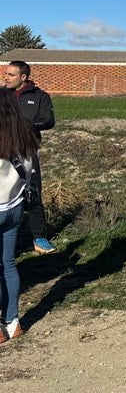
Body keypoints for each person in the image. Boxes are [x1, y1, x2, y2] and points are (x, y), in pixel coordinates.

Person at [4, 60, 56, 254]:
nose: (6, 78)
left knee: (32, 194)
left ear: (23, 77)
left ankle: (39, 238)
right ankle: (9, 237)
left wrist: (28, 126)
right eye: (5, 74)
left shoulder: (40, 96)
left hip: (27, 153)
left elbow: (49, 121)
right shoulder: (2, 96)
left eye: (11, 75)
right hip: (3, 154)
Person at [0, 90, 39, 343]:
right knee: (9, 265)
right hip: (14, 206)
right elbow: (30, 170)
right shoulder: (26, 137)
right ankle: (13, 322)